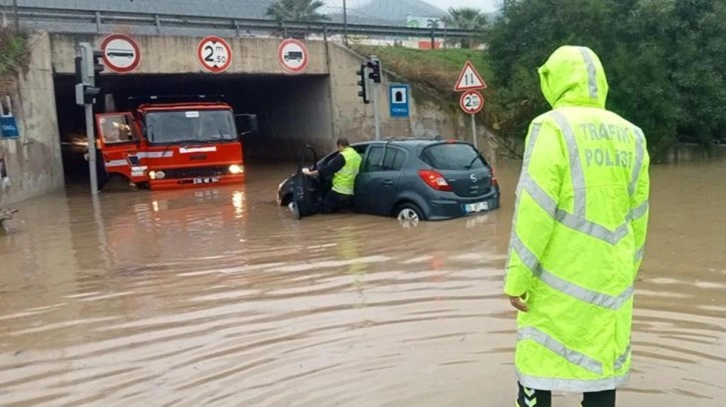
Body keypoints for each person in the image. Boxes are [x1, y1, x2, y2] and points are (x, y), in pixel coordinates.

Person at [503, 45, 650, 407]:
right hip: (608, 283)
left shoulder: (550, 127)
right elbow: (639, 217)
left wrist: (516, 281)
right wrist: (626, 274)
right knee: (600, 371)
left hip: (555, 282)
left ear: (553, 81)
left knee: (538, 365)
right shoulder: (632, 134)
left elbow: (534, 210)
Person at [302, 137, 362, 214]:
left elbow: (327, 170)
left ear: (340, 145)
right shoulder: (357, 156)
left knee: (323, 210)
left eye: (338, 148)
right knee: (338, 212)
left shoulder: (342, 156)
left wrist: (310, 173)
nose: (338, 150)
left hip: (339, 190)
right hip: (350, 192)